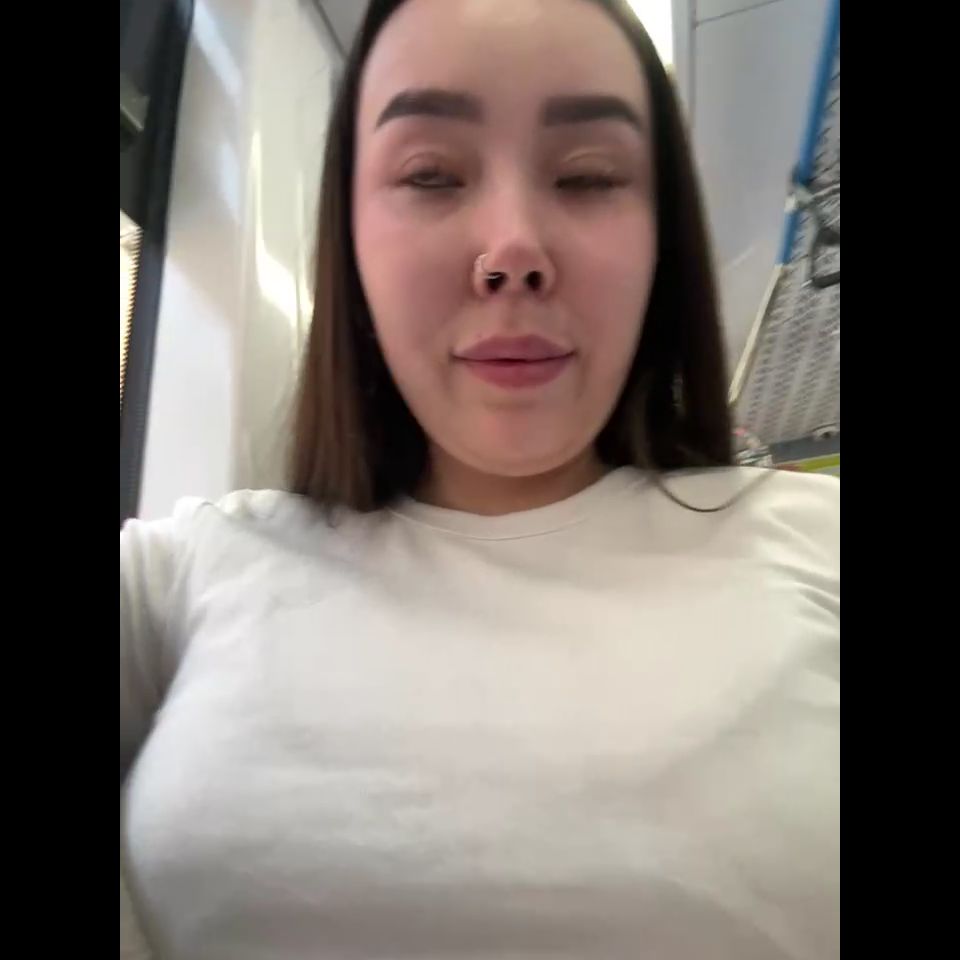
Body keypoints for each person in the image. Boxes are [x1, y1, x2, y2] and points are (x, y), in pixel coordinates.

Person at [120, 0, 840, 957]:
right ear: (350, 239)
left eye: (589, 177)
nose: (513, 250)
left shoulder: (818, 542)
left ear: (661, 242)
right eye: (430, 175)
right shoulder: (180, 578)